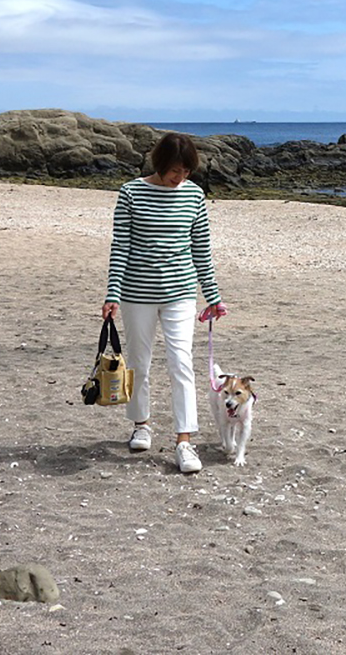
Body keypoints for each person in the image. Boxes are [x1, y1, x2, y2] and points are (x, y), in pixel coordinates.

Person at [101, 132, 227, 474]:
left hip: (181, 293)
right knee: (140, 363)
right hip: (136, 293)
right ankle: (141, 424)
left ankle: (184, 441)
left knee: (181, 363)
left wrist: (213, 296)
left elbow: (201, 249)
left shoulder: (194, 195)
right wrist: (112, 293)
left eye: (186, 171)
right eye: (175, 171)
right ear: (159, 164)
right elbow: (120, 248)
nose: (180, 178)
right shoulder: (131, 193)